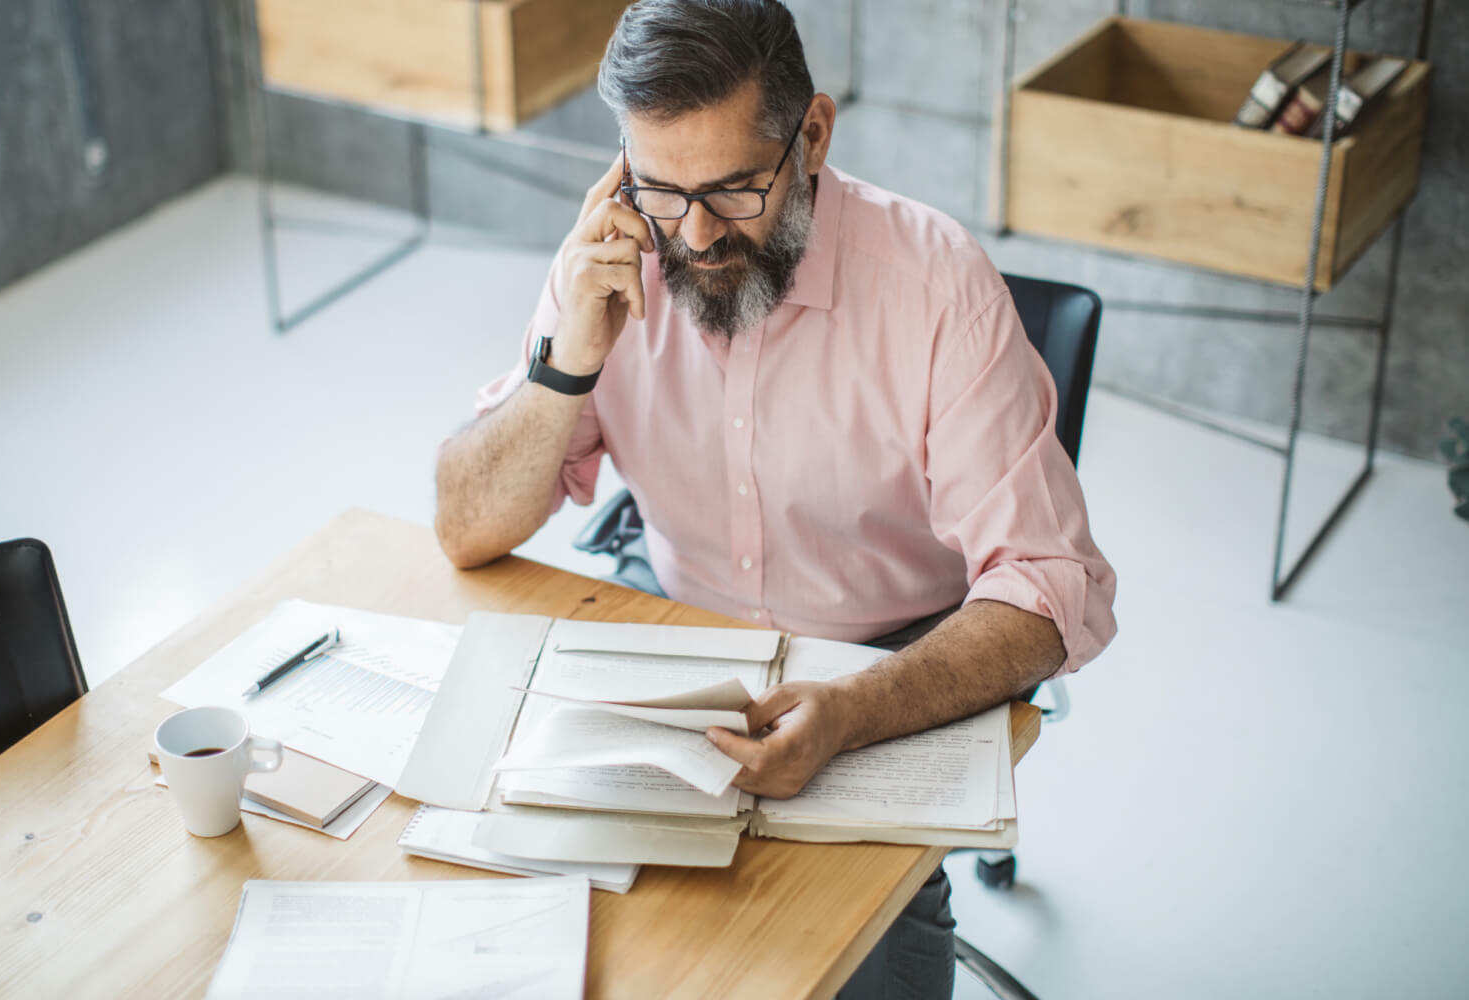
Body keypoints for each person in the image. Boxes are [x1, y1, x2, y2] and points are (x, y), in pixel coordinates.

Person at [434, 1, 1117, 996]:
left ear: (815, 137)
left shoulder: (936, 287)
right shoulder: (615, 257)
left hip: (887, 659)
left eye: (735, 188)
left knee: (846, 966)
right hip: (679, 632)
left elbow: (1051, 587)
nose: (697, 235)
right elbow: (465, 528)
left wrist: (848, 712)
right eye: (660, 188)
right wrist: (568, 364)